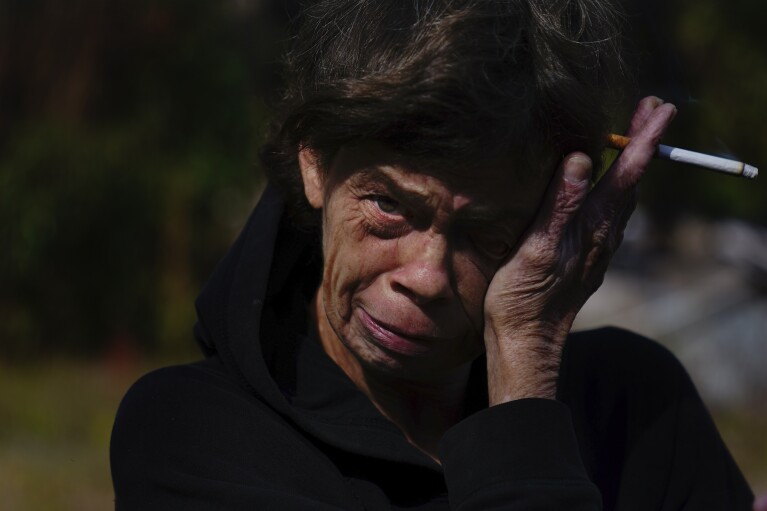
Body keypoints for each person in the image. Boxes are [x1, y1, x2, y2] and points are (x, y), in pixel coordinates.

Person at [110, 0, 755, 509]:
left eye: (487, 234)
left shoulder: (637, 410)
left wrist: (524, 362)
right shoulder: (194, 435)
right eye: (390, 207)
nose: (425, 277)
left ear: (558, 225)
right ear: (315, 160)